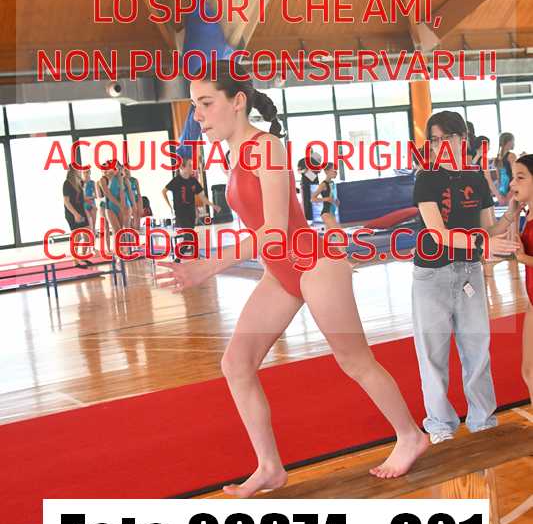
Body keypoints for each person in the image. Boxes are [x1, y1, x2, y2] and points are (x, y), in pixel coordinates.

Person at [157, 61, 429, 497]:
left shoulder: (267, 148)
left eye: (206, 103)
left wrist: (208, 265)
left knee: (355, 361)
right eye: (194, 106)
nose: (198, 115)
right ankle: (269, 467)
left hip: (315, 265)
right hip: (281, 271)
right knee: (236, 364)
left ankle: (410, 435)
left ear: (237, 101)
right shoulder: (232, 154)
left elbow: (275, 230)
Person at [412, 111, 521, 444]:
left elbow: (487, 228)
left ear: (463, 139)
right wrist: (484, 243)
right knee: (433, 356)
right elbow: (438, 234)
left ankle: (482, 421)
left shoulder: (476, 178)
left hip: (469, 272)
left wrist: (513, 212)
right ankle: (440, 427)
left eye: (446, 138)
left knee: (477, 351)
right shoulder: (426, 178)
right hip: (432, 275)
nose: (439, 145)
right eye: (434, 140)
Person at [162, 158, 220, 257]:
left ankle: (190, 255)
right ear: (182, 167)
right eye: (189, 165)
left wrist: (212, 205)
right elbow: (164, 191)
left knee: (190, 235)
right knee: (189, 235)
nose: (191, 167)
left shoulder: (193, 181)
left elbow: (202, 197)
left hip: (191, 212)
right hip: (181, 213)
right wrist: (170, 206)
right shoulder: (176, 181)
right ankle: (180, 255)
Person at [510, 154, 533, 402]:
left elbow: (523, 256)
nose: (512, 184)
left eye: (520, 177)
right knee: (529, 372)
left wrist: (524, 258)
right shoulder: (527, 215)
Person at [63, 165, 91, 268]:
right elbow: (66, 202)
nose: (80, 171)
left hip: (81, 211)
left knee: (88, 234)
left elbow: (81, 197)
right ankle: (75, 261)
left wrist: (90, 199)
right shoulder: (67, 184)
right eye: (78, 170)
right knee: (77, 237)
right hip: (72, 213)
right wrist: (75, 214)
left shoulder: (79, 182)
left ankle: (82, 256)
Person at [311, 163, 340, 231]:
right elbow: (313, 198)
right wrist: (326, 199)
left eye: (336, 170)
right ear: (326, 171)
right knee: (340, 234)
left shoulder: (332, 183)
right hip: (326, 213)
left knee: (329, 235)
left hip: (332, 213)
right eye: (333, 170)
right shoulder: (323, 184)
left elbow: (332, 197)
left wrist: (336, 200)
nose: (336, 172)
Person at [494, 132, 516, 204]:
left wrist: (500, 192)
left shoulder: (497, 157)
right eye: (513, 141)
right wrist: (512, 190)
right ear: (509, 142)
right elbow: (515, 175)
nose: (514, 144)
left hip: (502, 188)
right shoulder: (511, 156)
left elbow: (498, 178)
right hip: (511, 187)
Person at [82, 167, 97, 234]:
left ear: (90, 173)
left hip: (92, 204)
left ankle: (93, 239)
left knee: (93, 226)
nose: (86, 174)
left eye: (87, 172)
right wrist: (90, 198)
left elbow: (96, 195)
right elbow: (82, 197)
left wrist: (88, 198)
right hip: (84, 205)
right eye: (84, 172)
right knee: (88, 225)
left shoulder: (92, 183)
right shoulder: (81, 182)